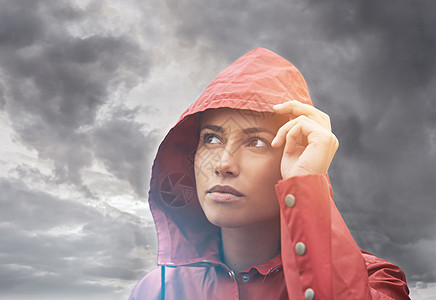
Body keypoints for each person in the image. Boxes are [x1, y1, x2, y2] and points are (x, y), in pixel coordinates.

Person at [129, 47, 410, 299]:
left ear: (296, 153)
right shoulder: (156, 290)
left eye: (257, 142)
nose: (223, 164)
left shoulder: (378, 281)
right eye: (211, 139)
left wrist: (307, 182)